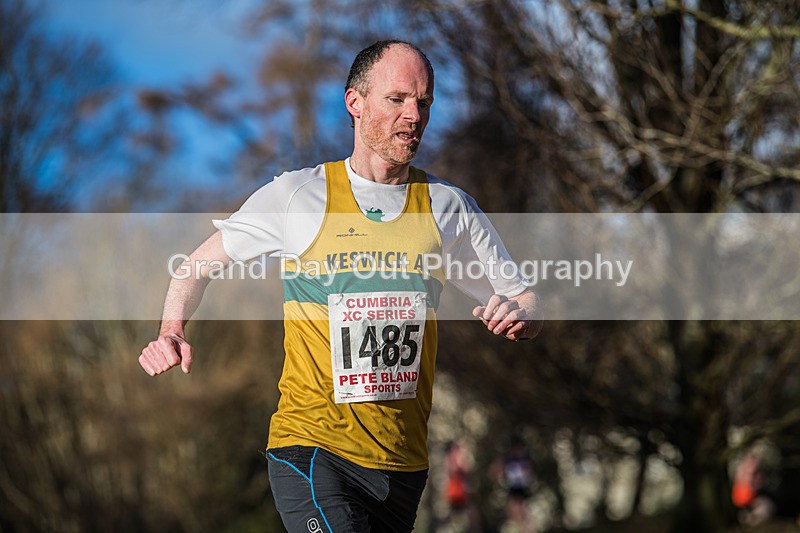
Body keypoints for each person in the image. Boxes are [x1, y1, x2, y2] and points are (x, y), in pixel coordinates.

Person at [138, 40, 541, 533]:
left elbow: (522, 297)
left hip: (402, 465)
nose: (413, 116)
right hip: (312, 449)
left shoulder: (446, 207)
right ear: (355, 103)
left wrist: (521, 316)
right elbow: (194, 267)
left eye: (424, 103)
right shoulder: (297, 196)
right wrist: (172, 329)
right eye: (397, 100)